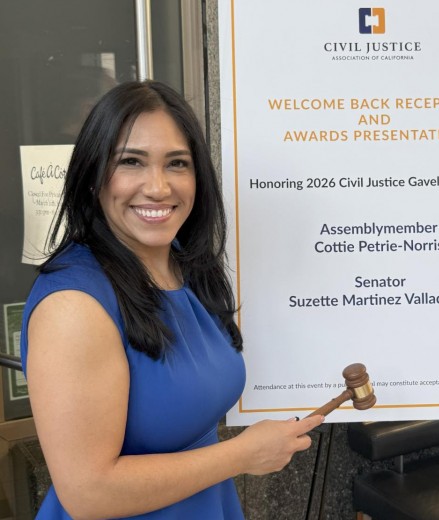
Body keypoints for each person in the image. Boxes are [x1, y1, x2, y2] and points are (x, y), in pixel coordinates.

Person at [20, 80, 324, 519]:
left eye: (177, 163)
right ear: (92, 176)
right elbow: (88, 493)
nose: (159, 187)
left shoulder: (181, 262)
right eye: (131, 162)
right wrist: (241, 455)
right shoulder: (73, 307)